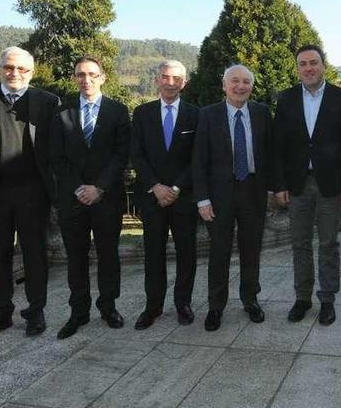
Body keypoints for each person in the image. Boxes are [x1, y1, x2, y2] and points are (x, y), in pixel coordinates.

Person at [0, 46, 59, 343]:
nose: (15, 73)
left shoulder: (48, 102)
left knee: (36, 254)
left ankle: (36, 310)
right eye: (9, 67)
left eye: (22, 69)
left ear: (32, 72)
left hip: (34, 192)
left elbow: (54, 149)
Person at [273, 44, 341, 326]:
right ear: (297, 68)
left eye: (313, 62)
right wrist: (280, 184)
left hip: (330, 185)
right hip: (297, 185)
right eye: (303, 64)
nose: (308, 68)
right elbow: (279, 145)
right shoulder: (285, 99)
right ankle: (302, 298)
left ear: (323, 65)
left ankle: (327, 299)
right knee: (299, 243)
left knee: (329, 242)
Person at [49, 57, 130, 339]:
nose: (86, 80)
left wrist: (99, 188)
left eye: (92, 74)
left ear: (102, 77)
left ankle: (108, 308)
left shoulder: (118, 111)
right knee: (76, 257)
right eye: (80, 75)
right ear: (74, 78)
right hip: (73, 200)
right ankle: (78, 312)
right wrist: (78, 189)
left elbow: (122, 155)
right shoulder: (61, 112)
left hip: (106, 198)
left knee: (109, 255)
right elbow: (56, 157)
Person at [193, 64, 273, 332]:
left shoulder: (262, 113)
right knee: (219, 252)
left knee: (252, 250)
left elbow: (270, 153)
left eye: (246, 82)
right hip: (219, 196)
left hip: (253, 191)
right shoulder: (208, 115)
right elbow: (199, 160)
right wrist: (202, 199)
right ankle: (216, 306)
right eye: (235, 81)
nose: (240, 86)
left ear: (252, 86)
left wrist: (273, 188)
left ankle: (251, 300)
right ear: (224, 85)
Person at [130, 60, 199, 330]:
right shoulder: (142, 113)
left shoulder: (196, 114)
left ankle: (183, 304)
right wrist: (155, 186)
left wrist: (177, 188)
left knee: (187, 252)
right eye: (165, 77)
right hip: (152, 197)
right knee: (153, 253)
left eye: (176, 78)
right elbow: (137, 154)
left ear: (185, 82)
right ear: (157, 80)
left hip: (184, 197)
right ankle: (153, 306)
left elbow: (197, 157)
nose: (170, 82)